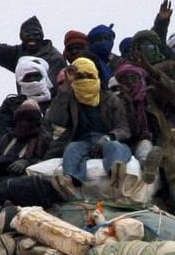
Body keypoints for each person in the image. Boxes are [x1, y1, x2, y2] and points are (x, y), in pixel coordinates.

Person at [44, 57, 133, 186]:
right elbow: (55, 118)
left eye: (89, 75)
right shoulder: (71, 98)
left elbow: (123, 127)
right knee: (71, 149)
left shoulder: (111, 99)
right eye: (79, 76)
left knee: (115, 148)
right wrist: (66, 86)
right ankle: (71, 179)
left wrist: (108, 137)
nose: (85, 79)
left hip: (107, 138)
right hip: (82, 141)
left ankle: (115, 172)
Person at [0, 4, 66, 76]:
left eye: (36, 34)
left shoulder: (55, 58)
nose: (32, 37)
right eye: (28, 34)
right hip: (26, 99)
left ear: (41, 36)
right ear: (21, 37)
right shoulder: (18, 53)